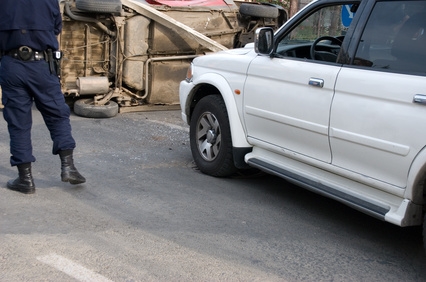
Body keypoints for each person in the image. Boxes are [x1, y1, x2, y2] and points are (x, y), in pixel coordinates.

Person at [0, 0, 86, 194]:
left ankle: (25, 179)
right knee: (57, 113)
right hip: (41, 64)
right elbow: (57, 27)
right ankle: (68, 167)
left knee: (18, 122)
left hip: (11, 63)